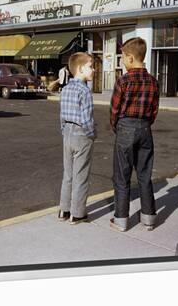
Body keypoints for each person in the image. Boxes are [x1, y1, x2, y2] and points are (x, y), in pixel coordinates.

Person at [109, 37, 160, 232]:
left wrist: (118, 127)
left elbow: (114, 110)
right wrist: (144, 124)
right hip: (145, 128)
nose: (121, 60)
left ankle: (121, 218)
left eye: (122, 57)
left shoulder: (123, 80)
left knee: (122, 176)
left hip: (125, 128)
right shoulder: (153, 82)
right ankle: (148, 217)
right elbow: (155, 109)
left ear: (130, 58)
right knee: (144, 174)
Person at [57, 52, 96, 225]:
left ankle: (64, 210)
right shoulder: (85, 91)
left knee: (68, 174)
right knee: (81, 175)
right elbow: (87, 118)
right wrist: (92, 134)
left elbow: (61, 115)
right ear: (80, 69)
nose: (93, 70)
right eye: (91, 66)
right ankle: (78, 213)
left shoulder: (65, 89)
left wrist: (64, 130)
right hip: (81, 134)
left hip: (67, 133)